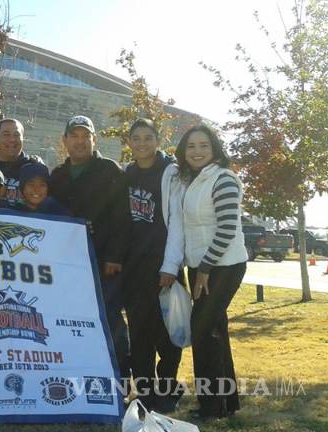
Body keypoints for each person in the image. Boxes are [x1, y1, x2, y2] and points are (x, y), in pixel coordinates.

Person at [49, 115, 132, 382]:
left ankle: (121, 377)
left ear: (94, 139)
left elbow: (123, 217)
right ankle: (81, 373)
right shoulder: (57, 176)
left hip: (104, 261)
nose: (80, 141)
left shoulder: (110, 170)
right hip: (69, 265)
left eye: (86, 136)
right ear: (65, 141)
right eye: (74, 136)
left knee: (109, 317)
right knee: (72, 318)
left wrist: (115, 256)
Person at [176, 124, 247, 419]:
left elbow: (227, 228)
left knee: (203, 331)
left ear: (215, 148)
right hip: (200, 266)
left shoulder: (223, 178)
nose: (197, 151)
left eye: (204, 145)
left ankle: (212, 406)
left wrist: (205, 269)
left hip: (222, 266)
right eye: (191, 146)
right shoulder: (193, 180)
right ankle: (226, 403)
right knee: (214, 330)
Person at [122, 119, 185, 413]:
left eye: (148, 137)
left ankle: (168, 389)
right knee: (140, 334)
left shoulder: (171, 172)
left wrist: (170, 266)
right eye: (136, 138)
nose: (142, 143)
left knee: (168, 334)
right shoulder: (128, 173)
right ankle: (145, 392)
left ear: (157, 140)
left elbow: (178, 222)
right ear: (129, 143)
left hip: (165, 267)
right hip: (135, 268)